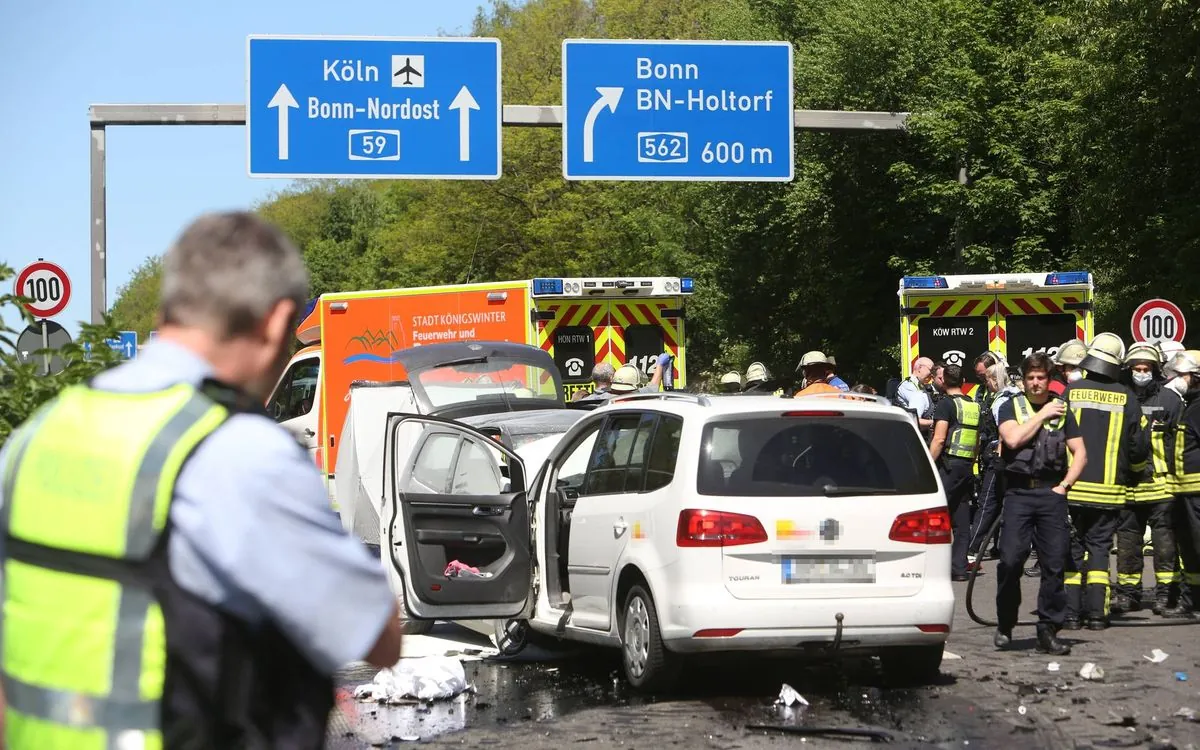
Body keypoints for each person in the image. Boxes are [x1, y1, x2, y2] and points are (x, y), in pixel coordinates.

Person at [0, 212, 404, 748]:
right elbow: (377, 636)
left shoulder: (35, 436)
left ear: (172, 307)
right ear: (277, 323)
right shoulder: (236, 450)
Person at [993, 352, 1086, 656]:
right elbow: (1014, 440)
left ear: (1049, 381)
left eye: (1041, 378)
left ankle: (1048, 629)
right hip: (1018, 494)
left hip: (1050, 495)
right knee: (1009, 561)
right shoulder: (1011, 406)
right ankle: (1005, 625)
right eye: (1030, 378)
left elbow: (1080, 454)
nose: (1035, 383)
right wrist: (1042, 414)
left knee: (1054, 563)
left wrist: (1064, 486)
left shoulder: (1064, 411)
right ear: (1023, 380)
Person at [1062, 332, 1148, 630]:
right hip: (1109, 492)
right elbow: (1138, 446)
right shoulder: (1128, 397)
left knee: (1072, 551)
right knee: (1099, 550)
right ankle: (1097, 616)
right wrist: (1136, 471)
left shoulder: (1071, 393)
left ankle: (1071, 616)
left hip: (1071, 490)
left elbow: (1054, 435)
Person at [1112, 343, 1180, 616]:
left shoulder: (1170, 400)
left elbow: (1178, 444)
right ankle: (1128, 595)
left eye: (1146, 368)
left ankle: (1166, 596)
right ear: (1128, 370)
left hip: (1162, 486)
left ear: (1155, 369)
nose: (1142, 373)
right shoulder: (1119, 396)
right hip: (1128, 486)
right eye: (1137, 369)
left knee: (1165, 546)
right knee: (1128, 543)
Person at [928, 365, 981, 580]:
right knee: (961, 520)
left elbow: (939, 439)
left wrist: (928, 464)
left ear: (943, 381)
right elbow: (977, 440)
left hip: (948, 466)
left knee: (935, 515)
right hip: (967, 467)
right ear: (963, 380)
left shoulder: (945, 404)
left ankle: (932, 568)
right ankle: (959, 569)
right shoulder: (973, 405)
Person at [968, 362, 1022, 560]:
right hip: (1015, 456)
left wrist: (997, 455)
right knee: (1005, 502)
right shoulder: (1017, 395)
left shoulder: (1001, 401)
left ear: (995, 380)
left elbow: (1003, 430)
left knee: (987, 502)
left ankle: (971, 549)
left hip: (998, 455)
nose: (987, 384)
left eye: (988, 380)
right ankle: (1000, 546)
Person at [1167, 351, 1200, 618]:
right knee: (1188, 548)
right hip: (1183, 492)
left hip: (1197, 493)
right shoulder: (1190, 405)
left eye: (1181, 375)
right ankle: (1191, 601)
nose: (1176, 380)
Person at [896, 357, 936, 439]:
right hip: (910, 433)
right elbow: (917, 416)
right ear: (920, 368)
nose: (932, 374)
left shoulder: (922, 385)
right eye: (930, 370)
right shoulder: (908, 385)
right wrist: (935, 422)